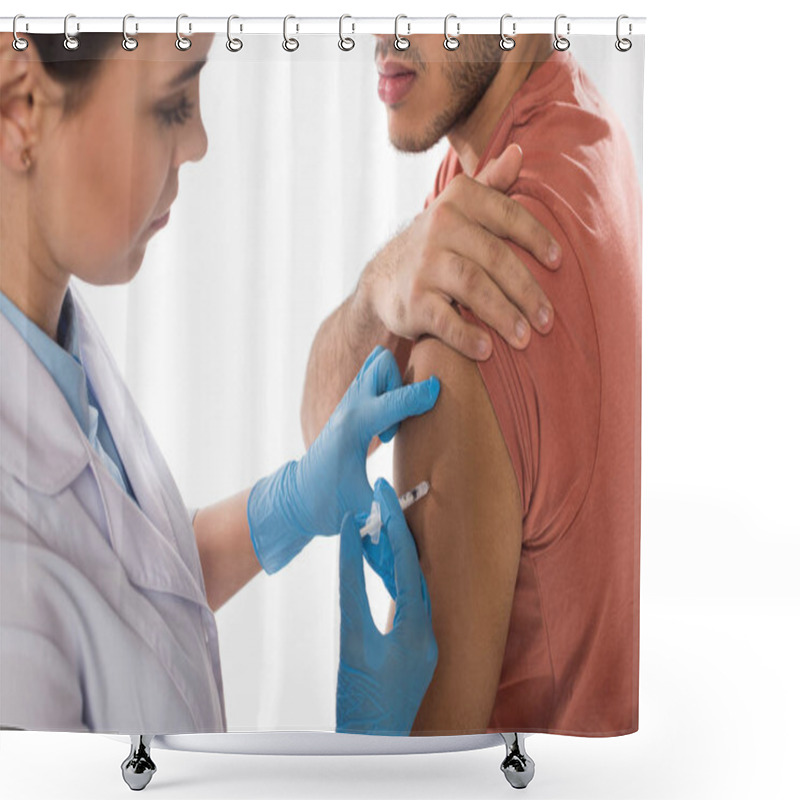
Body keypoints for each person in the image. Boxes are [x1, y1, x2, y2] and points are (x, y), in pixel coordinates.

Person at [0, 30, 561, 737]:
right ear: (21, 106)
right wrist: (365, 761)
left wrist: (291, 502)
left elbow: (135, 585)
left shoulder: (51, 339)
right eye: (174, 104)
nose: (201, 140)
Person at [301, 34, 641, 736]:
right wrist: (376, 290)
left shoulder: (481, 313)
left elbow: (423, 778)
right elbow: (321, 431)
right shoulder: (567, 127)